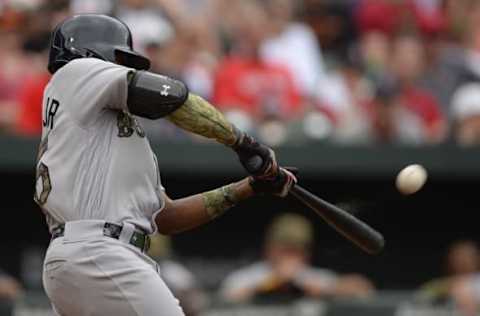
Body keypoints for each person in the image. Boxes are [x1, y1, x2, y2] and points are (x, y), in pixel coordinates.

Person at [38, 14, 296, 316]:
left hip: (78, 258)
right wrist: (244, 144)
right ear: (95, 52)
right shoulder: (77, 72)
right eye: (120, 58)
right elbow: (171, 95)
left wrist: (248, 187)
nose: (126, 66)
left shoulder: (105, 138)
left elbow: (166, 217)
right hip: (100, 252)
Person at [220, 213, 374, 303]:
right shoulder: (247, 277)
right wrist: (274, 282)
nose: (290, 256)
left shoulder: (314, 277)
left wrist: (320, 289)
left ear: (306, 253)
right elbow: (225, 300)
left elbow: (363, 289)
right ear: (269, 249)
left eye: (296, 250)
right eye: (285, 249)